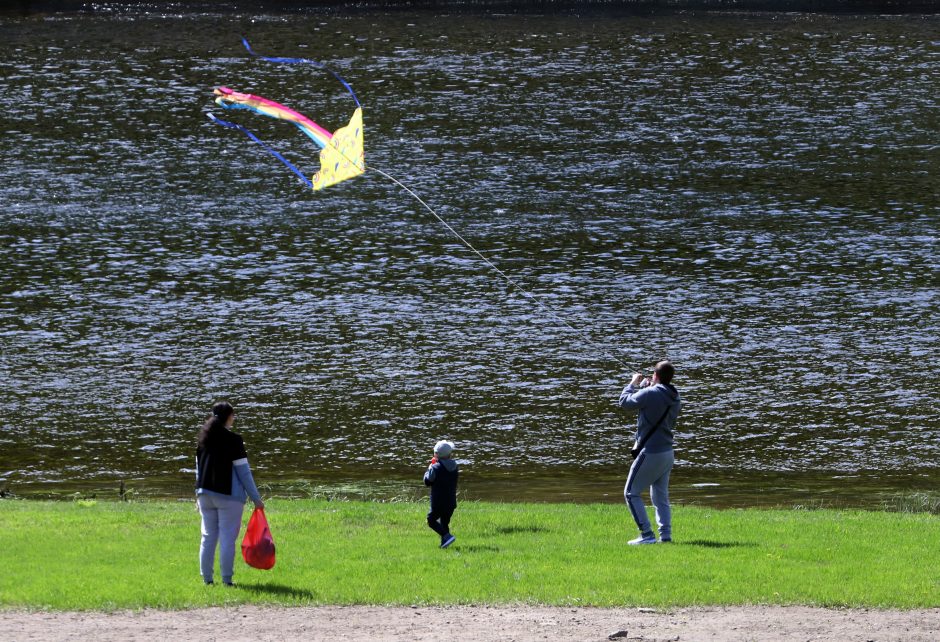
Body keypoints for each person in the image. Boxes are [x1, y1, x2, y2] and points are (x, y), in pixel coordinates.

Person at [195, 401, 265, 585]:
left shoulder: (203, 441)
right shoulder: (234, 440)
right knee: (227, 538)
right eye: (233, 415)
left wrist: (198, 494)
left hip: (204, 494)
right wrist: (256, 499)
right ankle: (226, 580)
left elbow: (199, 471)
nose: (234, 418)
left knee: (208, 537)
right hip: (228, 496)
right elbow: (243, 472)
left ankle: (207, 580)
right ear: (228, 417)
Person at [618, 360, 681, 545]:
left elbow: (625, 402)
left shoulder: (650, 393)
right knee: (660, 496)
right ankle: (666, 536)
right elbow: (656, 399)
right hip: (667, 452)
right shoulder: (675, 396)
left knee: (631, 493)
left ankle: (646, 535)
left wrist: (633, 384)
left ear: (656, 375)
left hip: (651, 452)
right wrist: (648, 387)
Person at [423, 440, 458, 549]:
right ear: (450, 454)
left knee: (431, 520)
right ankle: (445, 544)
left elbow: (428, 481)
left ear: (436, 454)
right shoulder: (455, 466)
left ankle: (447, 536)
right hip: (451, 502)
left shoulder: (435, 467)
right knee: (444, 523)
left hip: (438, 502)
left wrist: (429, 468)